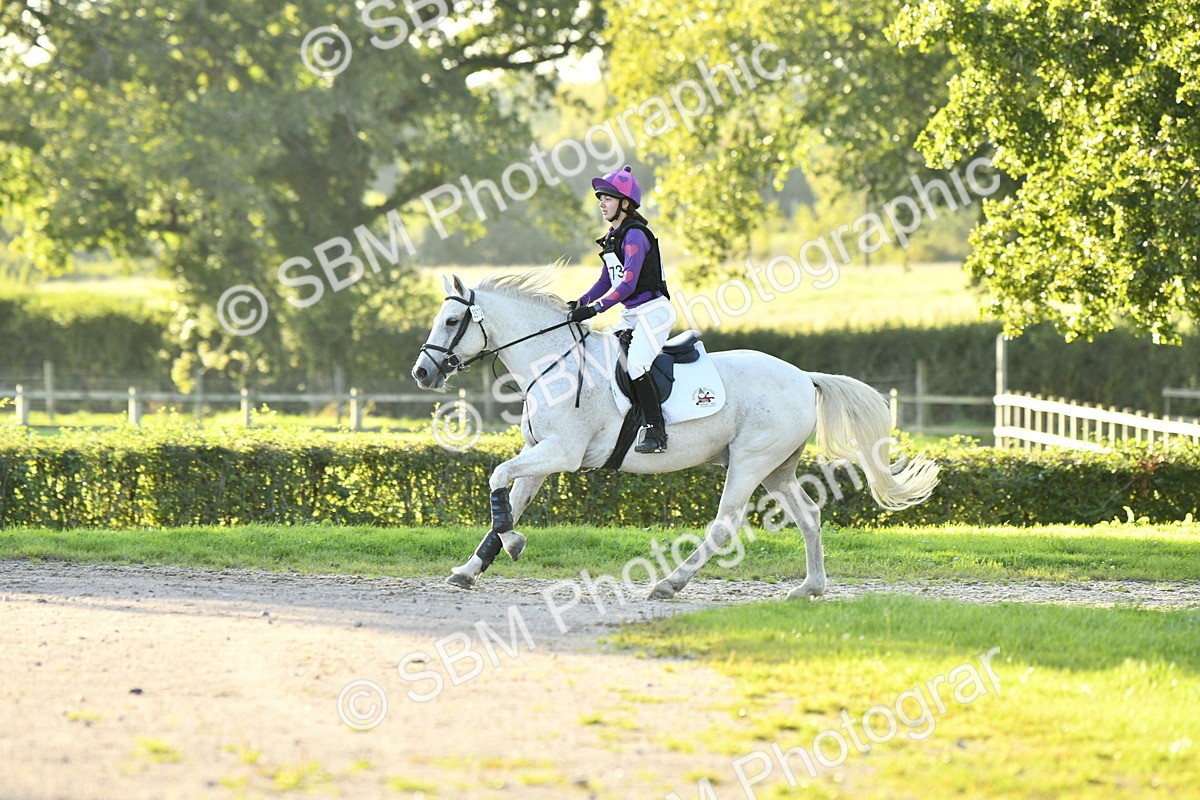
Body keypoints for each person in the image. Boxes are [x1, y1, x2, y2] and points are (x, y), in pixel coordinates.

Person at [567, 165, 675, 453]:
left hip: (653, 313)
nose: (601, 204)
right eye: (600, 199)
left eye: (608, 198)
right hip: (631, 315)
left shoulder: (635, 235)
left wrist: (595, 309)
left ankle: (657, 431)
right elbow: (606, 280)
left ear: (625, 203)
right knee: (604, 360)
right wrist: (581, 302)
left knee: (636, 365)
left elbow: (627, 284)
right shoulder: (614, 237)